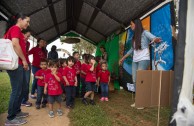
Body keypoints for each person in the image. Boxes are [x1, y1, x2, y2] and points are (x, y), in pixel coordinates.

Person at [119, 19, 161, 108]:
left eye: (131, 24)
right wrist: (123, 58)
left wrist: (156, 39)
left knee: (141, 79)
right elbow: (131, 49)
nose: (130, 26)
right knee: (134, 79)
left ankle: (142, 101)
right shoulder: (134, 37)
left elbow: (153, 38)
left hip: (144, 59)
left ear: (136, 24)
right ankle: (138, 100)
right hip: (135, 60)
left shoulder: (145, 33)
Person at [4, 13, 30, 125]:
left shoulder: (17, 30)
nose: (28, 24)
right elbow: (15, 44)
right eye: (27, 21)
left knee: (22, 88)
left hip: (19, 64)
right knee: (17, 90)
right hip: (17, 64)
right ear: (20, 19)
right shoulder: (15, 28)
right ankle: (10, 118)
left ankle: (17, 111)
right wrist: (24, 60)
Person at [21, 29, 32, 107]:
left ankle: (24, 100)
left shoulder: (28, 43)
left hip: (27, 63)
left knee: (26, 82)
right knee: (20, 83)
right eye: (27, 36)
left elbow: (26, 53)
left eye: (29, 36)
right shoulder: (17, 41)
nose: (28, 38)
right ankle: (21, 100)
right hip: (20, 63)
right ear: (22, 34)